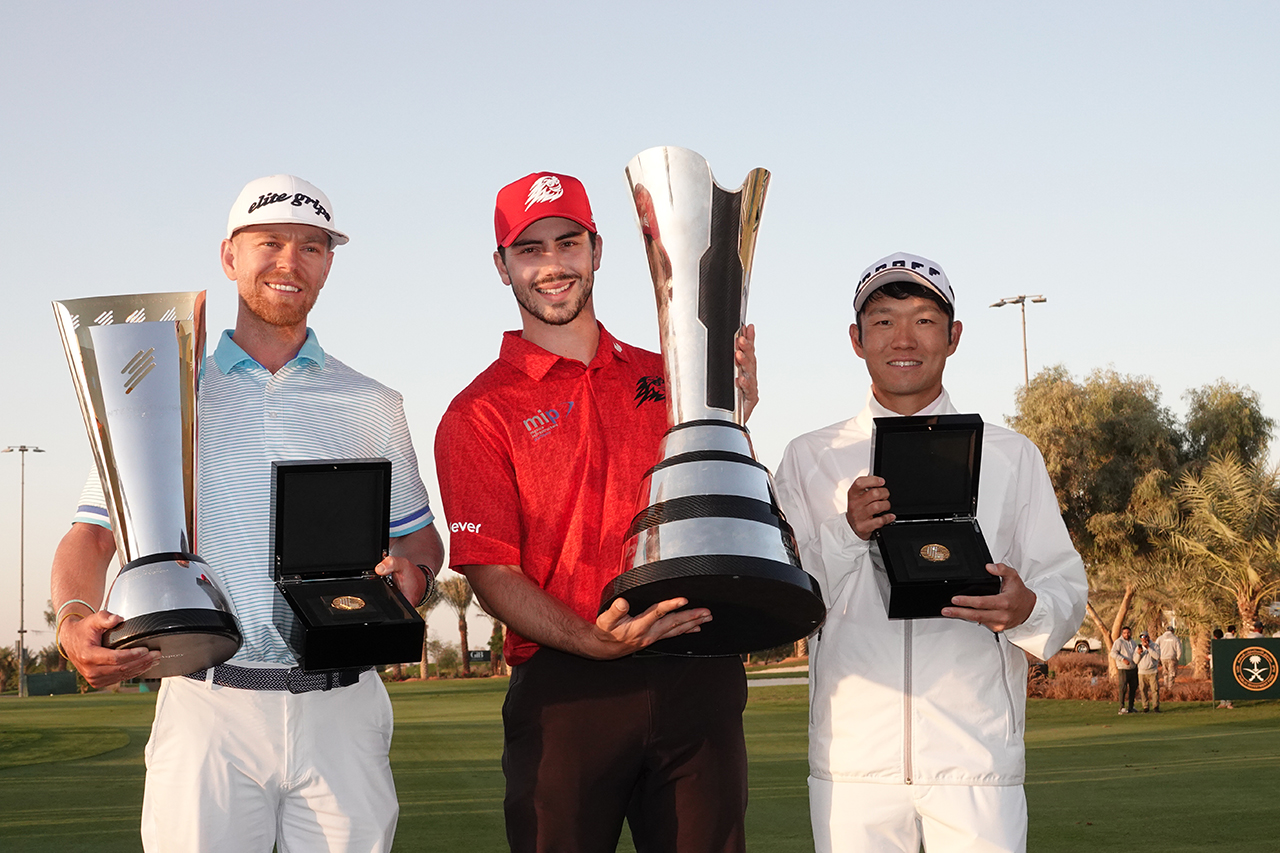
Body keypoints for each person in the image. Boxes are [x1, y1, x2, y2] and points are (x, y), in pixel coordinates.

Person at [50, 175, 445, 852]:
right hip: (208, 705)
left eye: (312, 246)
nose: (291, 261)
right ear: (229, 256)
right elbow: (92, 535)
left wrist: (417, 579)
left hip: (343, 708)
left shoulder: (372, 403)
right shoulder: (162, 393)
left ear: (328, 263)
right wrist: (71, 620)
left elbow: (419, 541)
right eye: (270, 242)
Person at [433, 171, 758, 853]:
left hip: (695, 665)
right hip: (566, 688)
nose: (552, 264)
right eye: (530, 249)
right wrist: (589, 639)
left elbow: (710, 502)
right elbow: (491, 571)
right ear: (502, 266)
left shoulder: (670, 375)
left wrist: (729, 417)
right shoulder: (477, 411)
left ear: (597, 250)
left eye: (568, 242)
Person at [774, 251, 1087, 853]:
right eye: (883, 321)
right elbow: (793, 600)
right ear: (856, 339)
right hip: (852, 766)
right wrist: (848, 532)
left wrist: (1026, 609)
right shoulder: (810, 456)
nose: (904, 339)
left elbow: (1065, 588)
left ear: (954, 336)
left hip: (977, 759)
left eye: (923, 319)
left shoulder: (1011, 455)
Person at [1112, 626, 1139, 714]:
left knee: (1133, 687)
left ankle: (1131, 706)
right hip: (1123, 668)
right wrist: (1122, 659)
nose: (1126, 634)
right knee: (1123, 688)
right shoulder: (1119, 642)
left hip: (1133, 668)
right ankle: (1121, 707)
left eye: (1128, 633)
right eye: (1124, 633)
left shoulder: (1133, 642)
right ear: (1122, 633)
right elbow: (1113, 653)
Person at [1135, 631, 1161, 712]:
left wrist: (1149, 648)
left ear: (1148, 637)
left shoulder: (1155, 646)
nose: (1144, 639)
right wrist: (1139, 654)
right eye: (1142, 637)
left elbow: (1157, 656)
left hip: (1152, 671)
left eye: (1145, 636)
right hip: (1142, 672)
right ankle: (1145, 706)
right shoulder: (1138, 647)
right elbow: (1135, 661)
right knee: (1143, 690)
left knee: (1155, 690)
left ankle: (1156, 706)